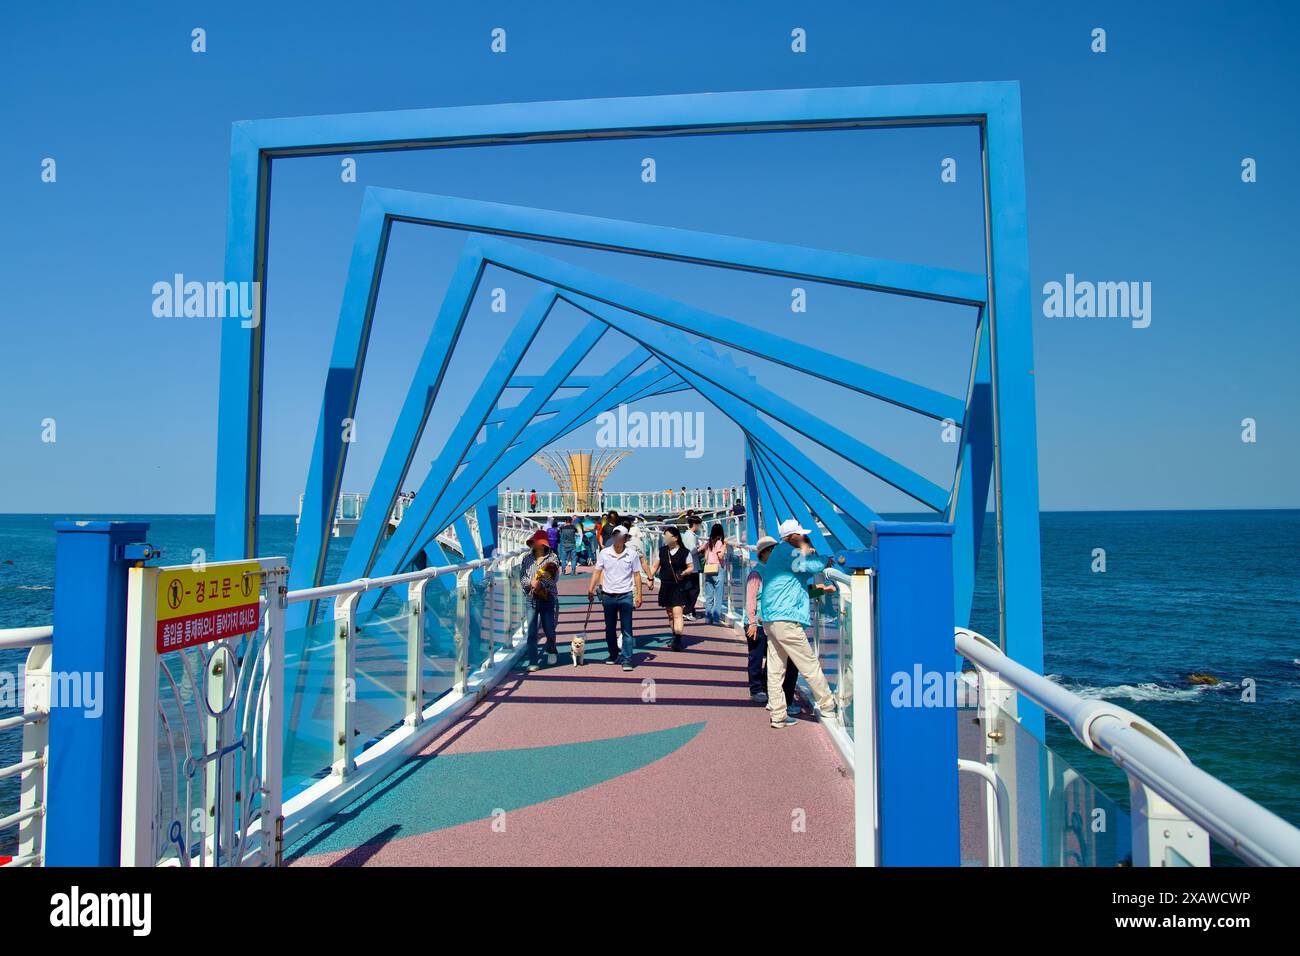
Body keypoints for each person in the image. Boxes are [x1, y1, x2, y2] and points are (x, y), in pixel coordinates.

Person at [758, 519, 839, 728]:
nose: (802, 537)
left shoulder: (779, 553)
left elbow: (799, 573)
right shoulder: (787, 551)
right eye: (800, 535)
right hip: (786, 618)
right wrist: (825, 560)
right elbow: (809, 566)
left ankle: (778, 714)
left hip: (771, 618)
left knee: (776, 669)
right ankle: (828, 703)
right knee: (808, 662)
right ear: (791, 536)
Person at [743, 536, 800, 711]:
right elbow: (751, 599)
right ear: (765, 553)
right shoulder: (756, 573)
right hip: (757, 623)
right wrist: (752, 622)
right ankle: (756, 689)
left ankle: (769, 690)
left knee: (772, 658)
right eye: (773, 550)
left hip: (771, 621)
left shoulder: (775, 571)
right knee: (756, 656)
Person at [588, 526, 642, 671]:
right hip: (608, 595)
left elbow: (636, 575)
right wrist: (591, 588)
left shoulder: (632, 554)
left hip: (626, 595)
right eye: (615, 536)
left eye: (620, 536)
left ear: (625, 538)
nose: (617, 539)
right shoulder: (605, 553)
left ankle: (627, 659)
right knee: (610, 628)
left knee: (627, 629)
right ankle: (613, 654)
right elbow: (597, 571)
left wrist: (639, 595)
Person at [519, 530, 560, 671]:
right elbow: (522, 577)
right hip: (531, 597)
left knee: (549, 628)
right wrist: (530, 583)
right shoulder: (526, 558)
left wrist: (541, 584)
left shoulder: (553, 558)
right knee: (531, 631)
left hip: (547, 598)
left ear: (543, 545)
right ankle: (533, 660)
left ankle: (551, 649)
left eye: (537, 542)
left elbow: (554, 578)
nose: (535, 544)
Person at [650, 526, 695, 651]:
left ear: (675, 538)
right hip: (666, 585)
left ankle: (678, 640)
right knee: (670, 614)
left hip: (679, 586)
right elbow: (655, 566)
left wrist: (685, 572)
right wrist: (650, 578)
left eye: (667, 536)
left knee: (677, 613)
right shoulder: (662, 551)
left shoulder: (685, 552)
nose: (665, 538)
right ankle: (675, 635)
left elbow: (691, 567)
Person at [700, 522, 728, 625]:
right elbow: (720, 556)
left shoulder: (709, 543)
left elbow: (702, 552)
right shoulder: (719, 543)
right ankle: (716, 619)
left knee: (709, 596)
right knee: (718, 595)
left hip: (708, 569)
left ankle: (708, 618)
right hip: (717, 569)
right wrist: (725, 545)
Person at [680, 515, 703, 620]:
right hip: (692, 567)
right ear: (695, 524)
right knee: (695, 590)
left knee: (690, 590)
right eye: (699, 525)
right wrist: (701, 548)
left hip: (688, 566)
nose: (699, 527)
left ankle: (691, 612)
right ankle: (687, 611)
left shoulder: (686, 534)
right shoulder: (691, 536)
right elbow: (692, 551)